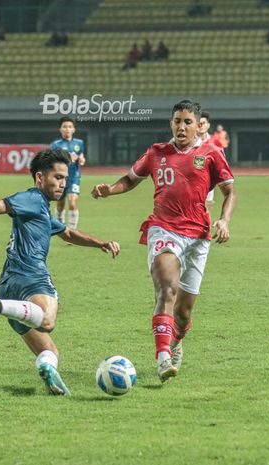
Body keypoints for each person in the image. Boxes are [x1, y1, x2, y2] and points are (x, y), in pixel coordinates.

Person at [0, 149, 120, 396]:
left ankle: (50, 377)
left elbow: (68, 234)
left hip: (8, 283)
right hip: (31, 276)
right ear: (40, 178)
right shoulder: (31, 199)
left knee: (49, 352)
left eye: (65, 178)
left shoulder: (41, 210)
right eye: (58, 177)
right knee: (48, 321)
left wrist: (100, 243)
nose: (63, 183)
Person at [91, 100, 236, 383]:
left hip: (197, 237)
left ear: (198, 125)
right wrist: (110, 190)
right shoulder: (156, 153)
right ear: (171, 123)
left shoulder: (211, 153)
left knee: (183, 312)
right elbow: (131, 179)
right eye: (177, 121)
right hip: (163, 229)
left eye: (187, 122)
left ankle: (176, 340)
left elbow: (230, 191)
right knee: (167, 289)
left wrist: (225, 220)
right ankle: (162, 358)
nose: (181, 127)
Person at [50, 117, 85, 229]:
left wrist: (81, 159)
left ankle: (72, 230)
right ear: (60, 129)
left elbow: (81, 156)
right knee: (60, 205)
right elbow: (52, 161)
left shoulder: (79, 143)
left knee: (72, 202)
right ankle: (61, 226)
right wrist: (67, 157)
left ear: (74, 129)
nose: (67, 129)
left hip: (74, 177)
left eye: (70, 127)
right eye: (64, 127)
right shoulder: (55, 145)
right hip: (60, 178)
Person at [198, 111, 216, 210]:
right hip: (190, 184)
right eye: (198, 123)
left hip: (208, 184)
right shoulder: (188, 142)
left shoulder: (215, 142)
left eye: (203, 123)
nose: (201, 126)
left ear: (208, 125)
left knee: (205, 213)